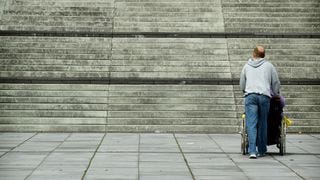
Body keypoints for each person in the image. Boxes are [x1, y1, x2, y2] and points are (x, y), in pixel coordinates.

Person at [240, 46, 281, 159]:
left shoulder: (246, 66)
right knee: (263, 122)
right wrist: (276, 93)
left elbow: (242, 83)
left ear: (253, 54)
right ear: (264, 55)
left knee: (251, 123)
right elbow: (276, 82)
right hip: (264, 97)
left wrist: (245, 91)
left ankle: (252, 151)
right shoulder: (269, 66)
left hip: (251, 96)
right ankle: (262, 149)